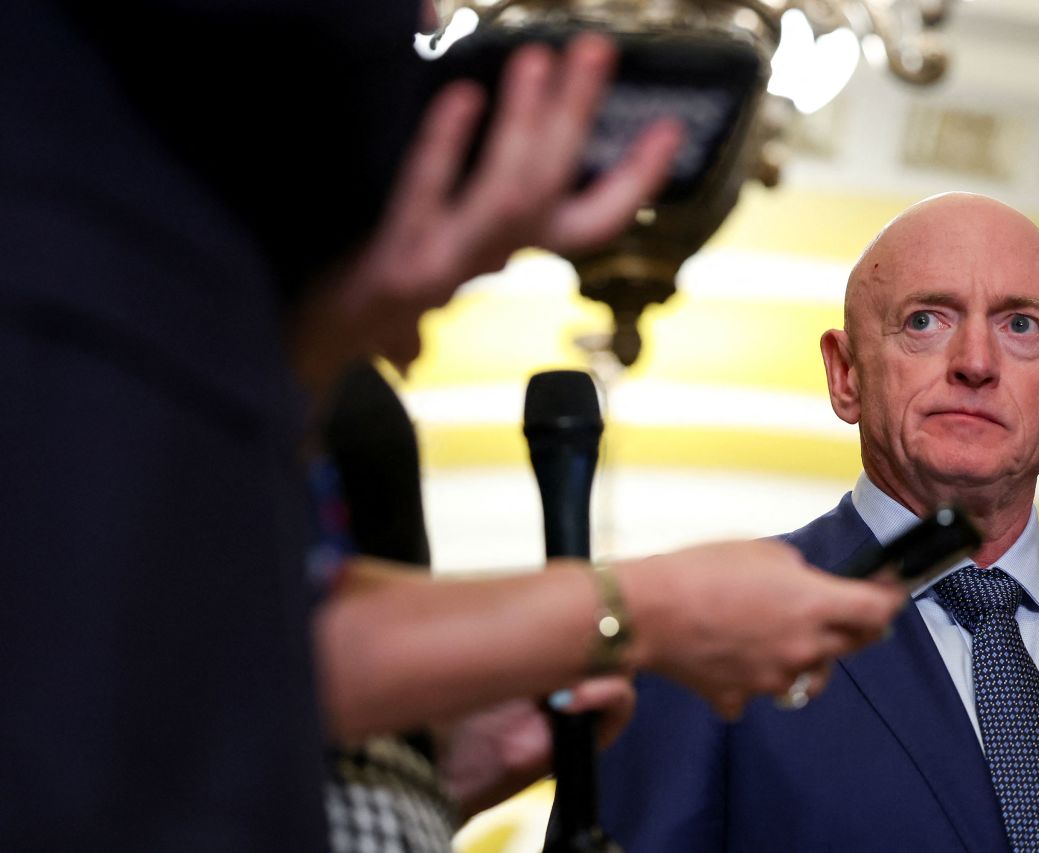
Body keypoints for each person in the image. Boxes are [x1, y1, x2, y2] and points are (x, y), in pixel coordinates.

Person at [0, 2, 904, 850]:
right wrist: (644, 610)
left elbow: (224, 621)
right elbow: (124, 658)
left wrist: (422, 758)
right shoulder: (66, 267)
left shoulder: (191, 315)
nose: (427, 24)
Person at [597, 193, 1039, 851]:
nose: (976, 364)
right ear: (845, 373)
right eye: (926, 320)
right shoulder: (701, 635)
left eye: (1020, 325)